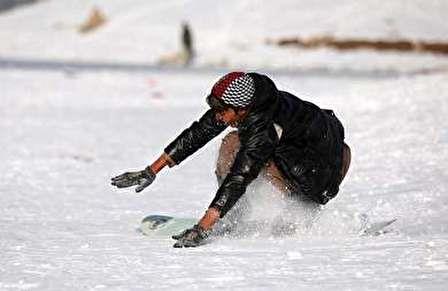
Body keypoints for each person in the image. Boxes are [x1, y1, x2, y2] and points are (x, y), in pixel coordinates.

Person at [111, 72, 351, 248]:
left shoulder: (265, 127)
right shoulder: (245, 102)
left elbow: (240, 175)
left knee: (236, 147)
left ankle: (239, 215)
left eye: (223, 111)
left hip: (319, 174)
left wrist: (204, 226)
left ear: (242, 108)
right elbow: (198, 132)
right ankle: (230, 212)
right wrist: (150, 170)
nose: (219, 116)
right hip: (317, 151)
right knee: (235, 142)